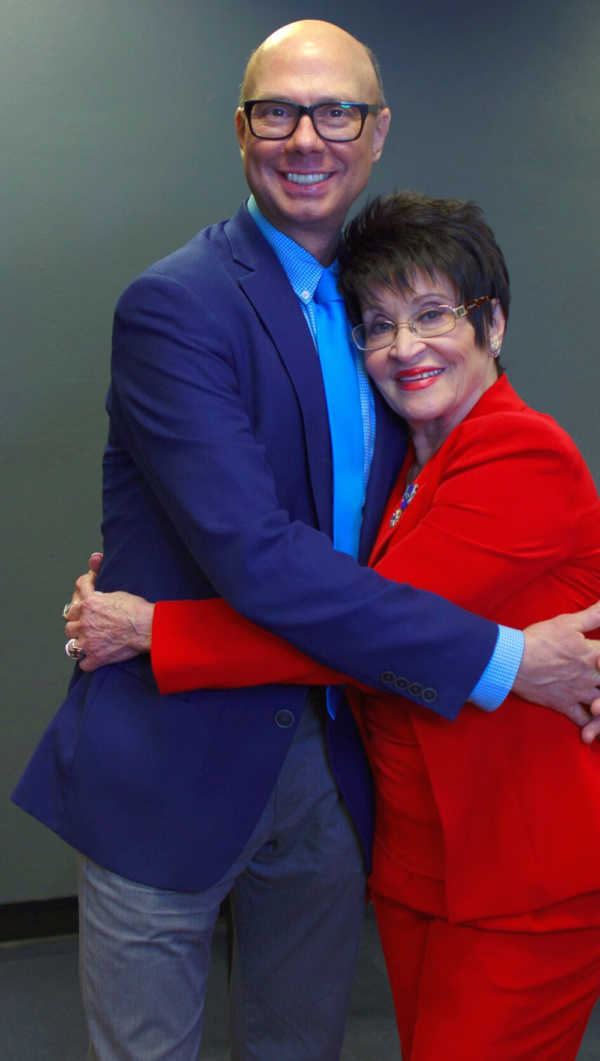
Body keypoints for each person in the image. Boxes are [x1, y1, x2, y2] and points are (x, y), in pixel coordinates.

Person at [11, 19, 600, 1061]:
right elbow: (258, 553)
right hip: (173, 763)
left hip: (337, 760)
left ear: (376, 132)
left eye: (336, 111)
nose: (306, 136)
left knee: (301, 1046)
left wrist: (156, 624)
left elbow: (399, 562)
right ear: (242, 130)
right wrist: (512, 657)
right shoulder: (177, 305)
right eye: (278, 110)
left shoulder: (391, 338)